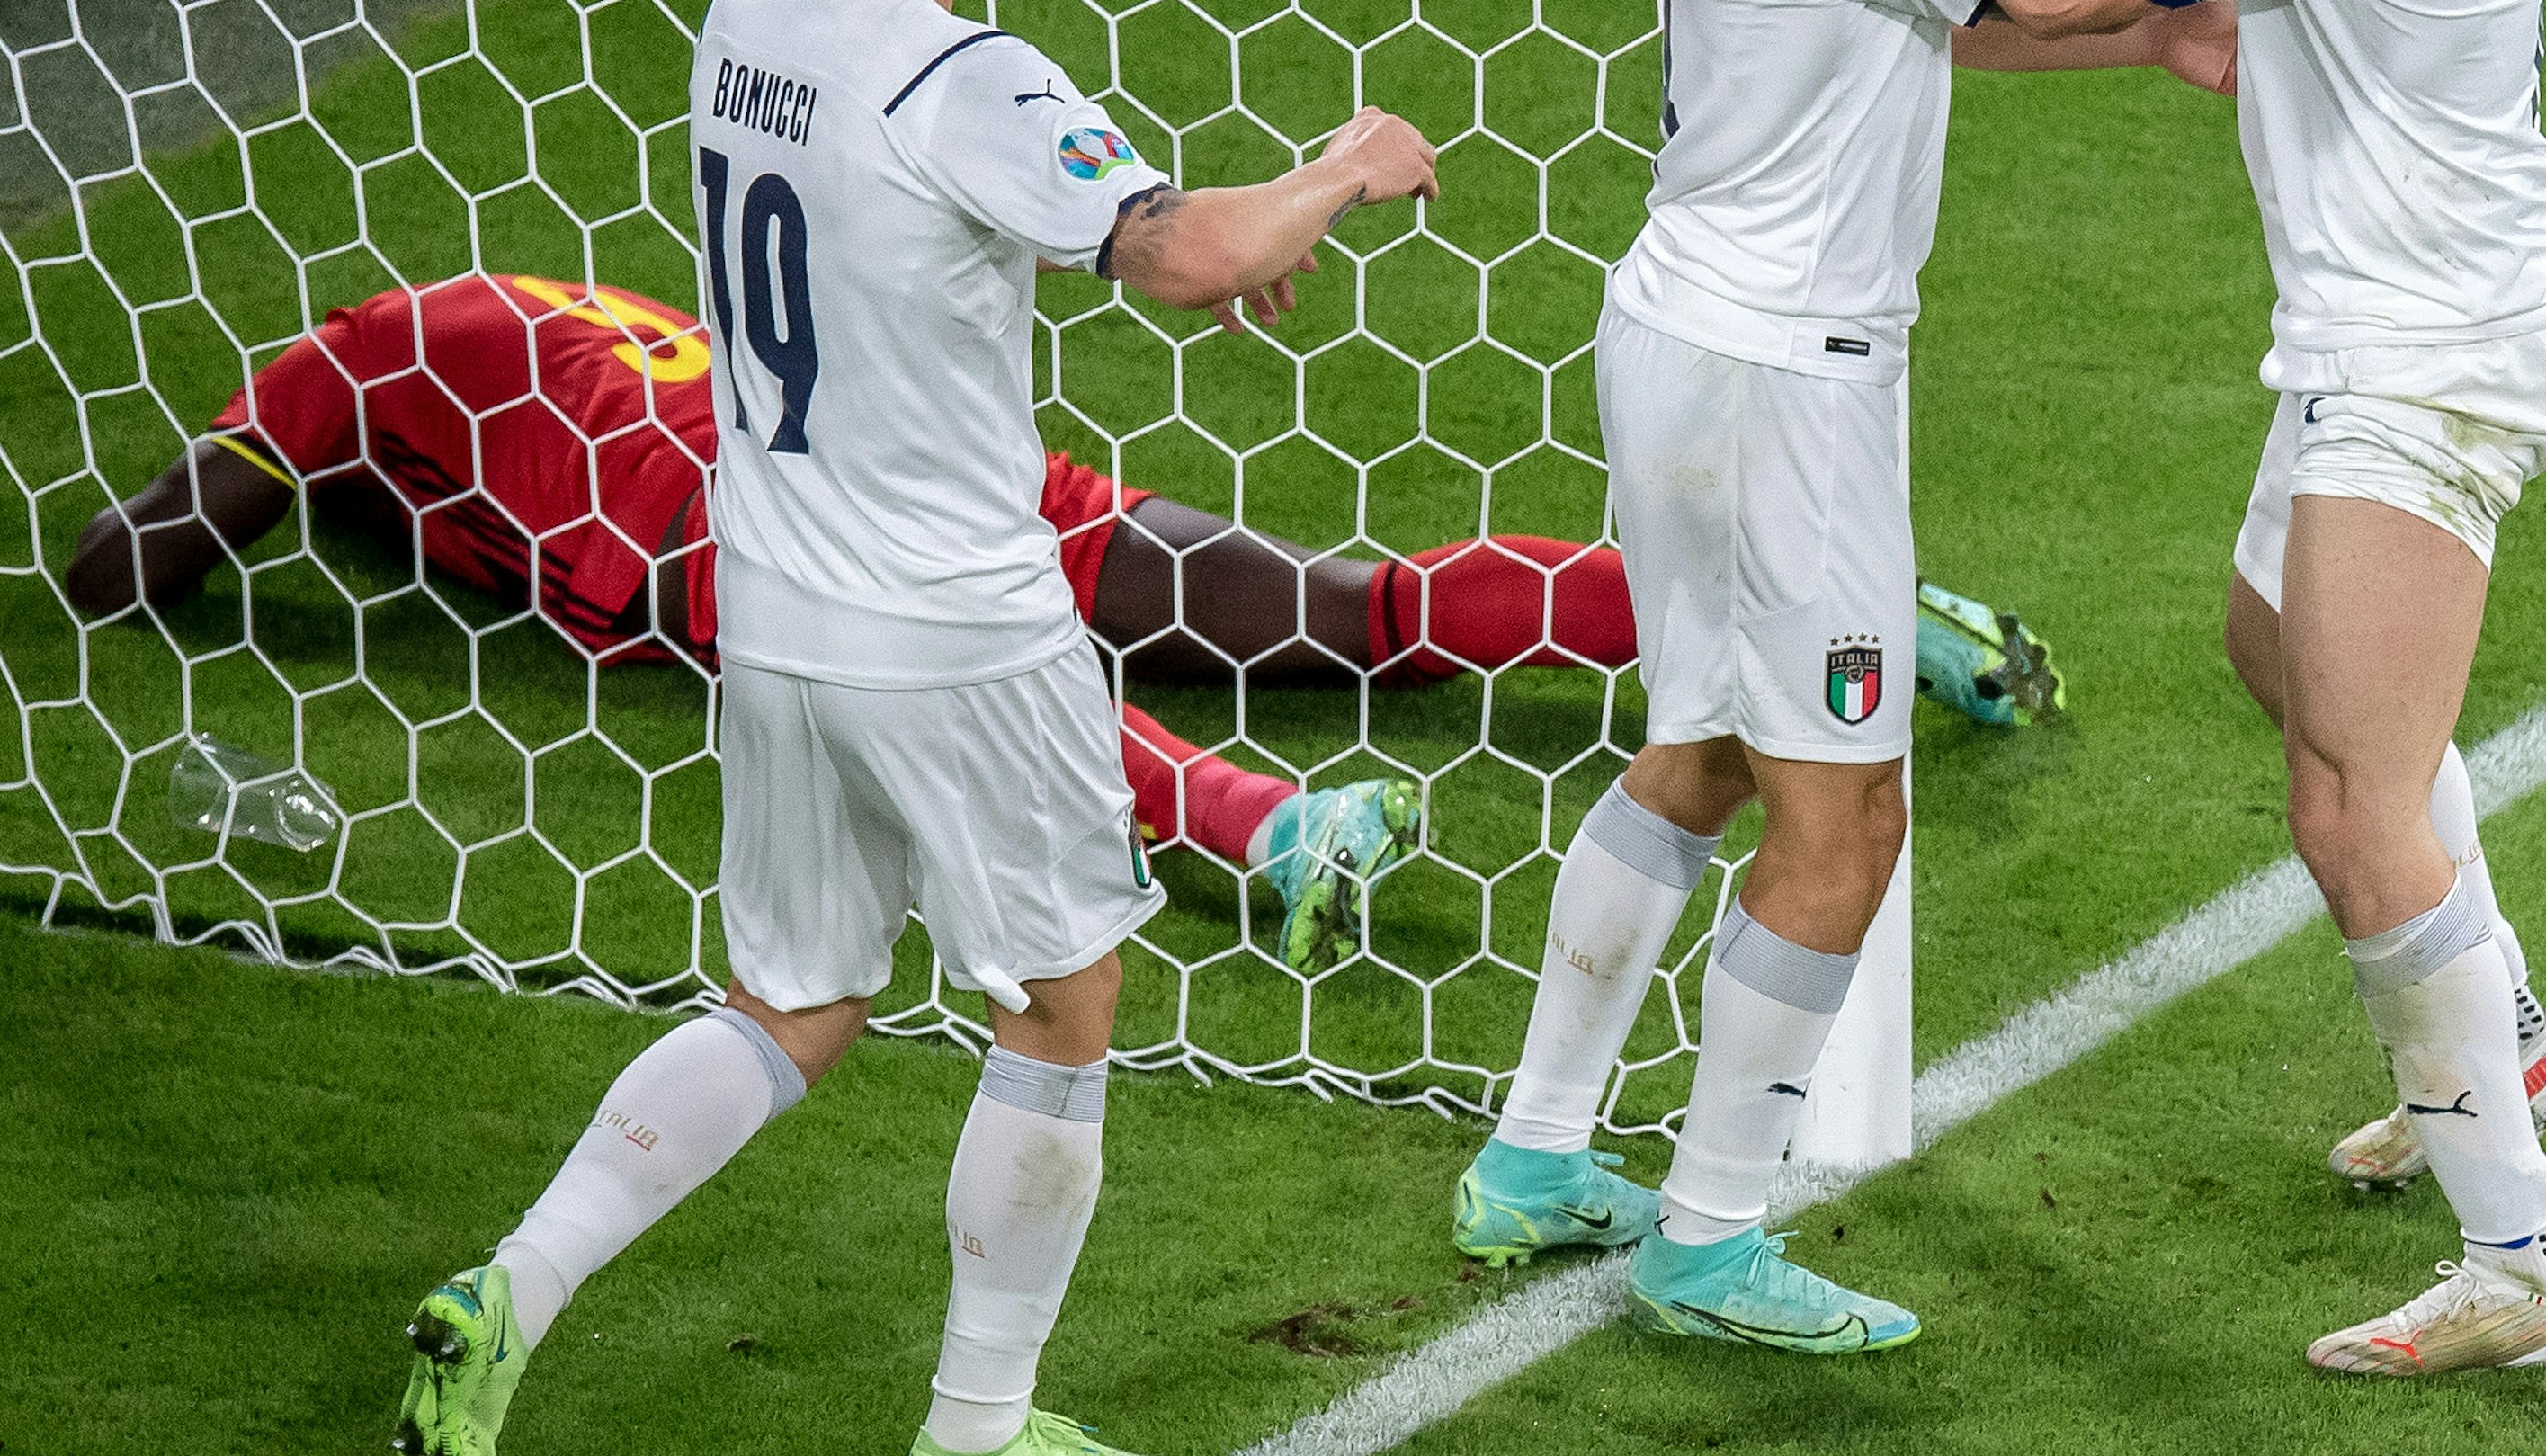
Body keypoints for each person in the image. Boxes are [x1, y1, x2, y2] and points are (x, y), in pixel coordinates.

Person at [375, 0, 1438, 1456]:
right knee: (1061, 999)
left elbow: (991, 229)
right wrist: (1347, 170)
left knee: (793, 999)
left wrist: (1205, 222)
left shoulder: (748, 13)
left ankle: (513, 1290)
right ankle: (980, 1428)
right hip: (954, 624)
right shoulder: (976, 78)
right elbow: (1183, 255)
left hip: (777, 602)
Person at [1445, 0, 2398, 1353]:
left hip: (1686, 337)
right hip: (1784, 385)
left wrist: (2150, 14)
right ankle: (1712, 1239)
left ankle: (1538, 1157)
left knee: (1709, 753)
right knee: (1850, 818)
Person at [1746, 0, 2546, 1374]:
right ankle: (2506, 1036)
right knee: (2278, 651)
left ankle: (2526, 1268)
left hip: (2433, 346)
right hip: (2371, 325)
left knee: (2349, 805)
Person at [68, 282, 2071, 968]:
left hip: (740, 528)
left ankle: (1257, 829)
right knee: (1332, 604)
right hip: (921, 449)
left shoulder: (350, 365)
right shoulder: (515, 326)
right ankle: (1845, 612)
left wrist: (277, 481)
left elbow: (140, 558)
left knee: (975, 682)